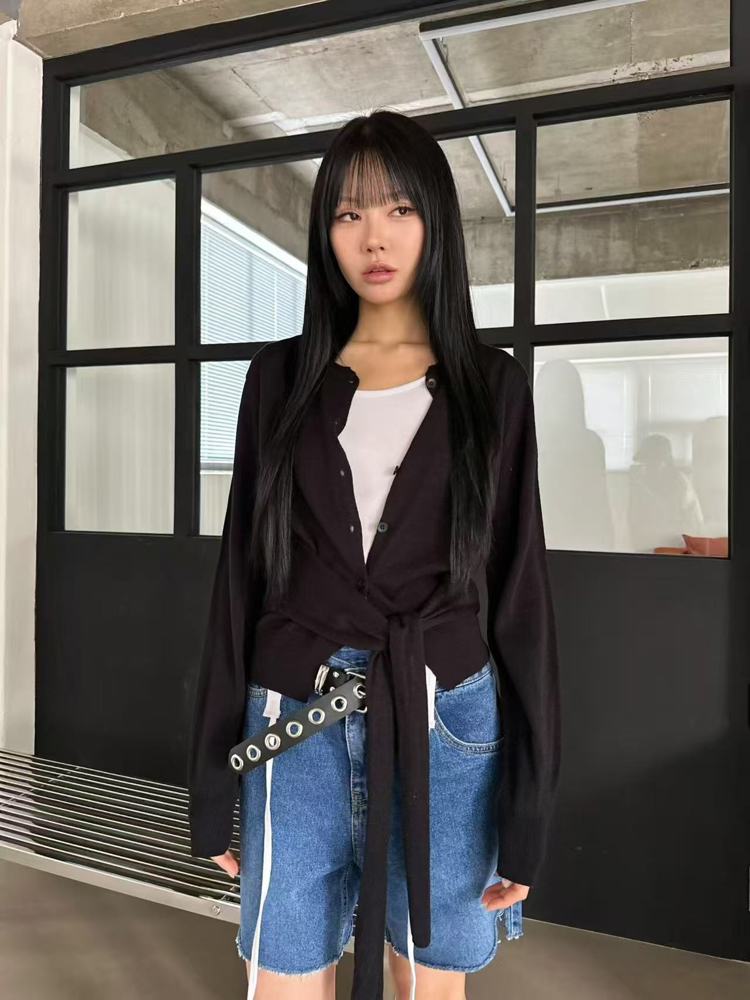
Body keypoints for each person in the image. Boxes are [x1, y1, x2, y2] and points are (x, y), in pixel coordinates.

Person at [187, 108, 562, 1000]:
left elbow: (520, 594)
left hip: (447, 721)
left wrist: (530, 806)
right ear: (327, 234)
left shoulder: (493, 386)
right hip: (291, 723)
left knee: (430, 980)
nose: (374, 237)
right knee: (281, 976)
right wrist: (210, 780)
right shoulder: (279, 379)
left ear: (435, 222)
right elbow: (240, 577)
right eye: (348, 214)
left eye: (398, 209)